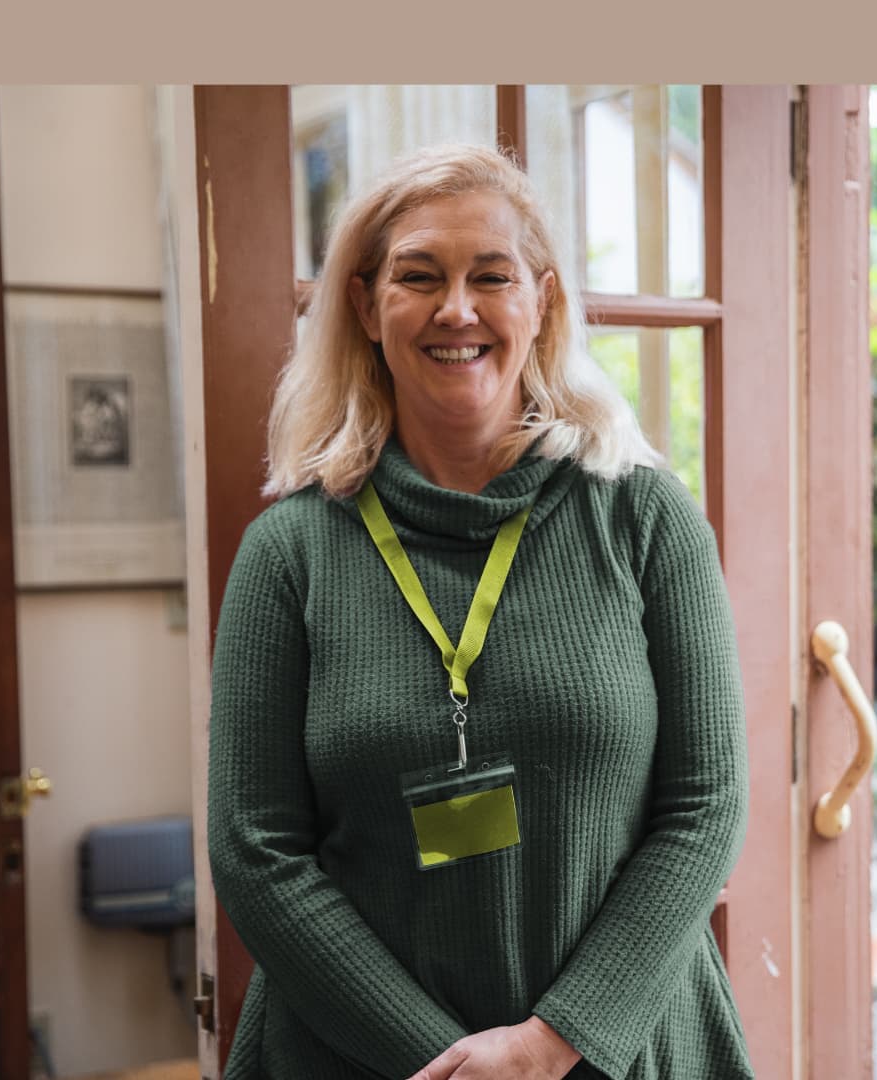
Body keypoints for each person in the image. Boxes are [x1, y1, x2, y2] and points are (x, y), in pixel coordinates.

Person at [208, 143, 754, 1080]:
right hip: (355, 1059)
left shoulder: (645, 518)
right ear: (364, 306)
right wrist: (451, 1065)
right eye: (418, 276)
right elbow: (255, 850)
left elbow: (705, 806)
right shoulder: (290, 552)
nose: (456, 309)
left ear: (540, 302)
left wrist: (552, 1045)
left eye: (490, 276)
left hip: (620, 1050)